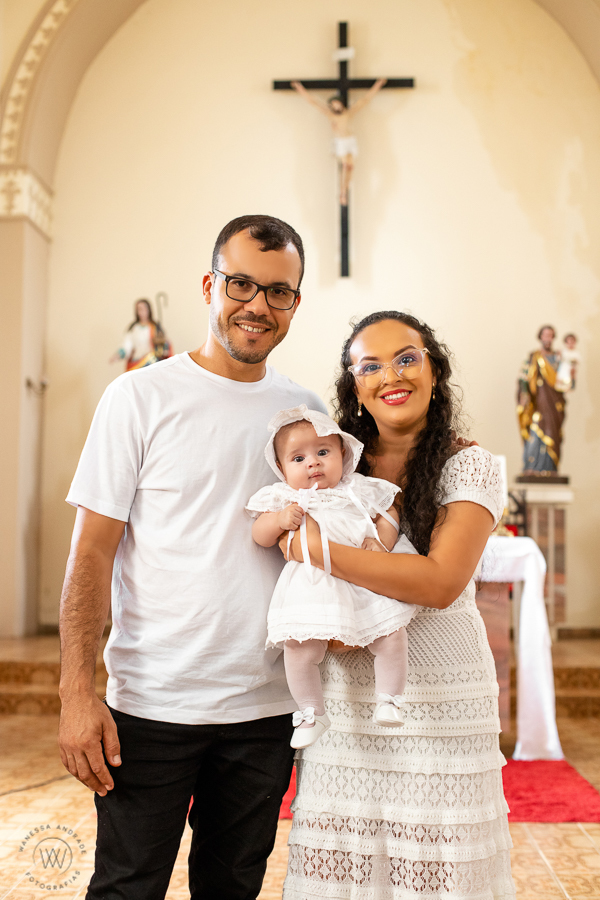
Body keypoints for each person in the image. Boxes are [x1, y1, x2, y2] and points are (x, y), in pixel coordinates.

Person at [58, 215, 327, 900]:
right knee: (127, 888)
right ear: (210, 286)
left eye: (279, 291)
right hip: (153, 704)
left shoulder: (304, 412)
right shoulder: (138, 397)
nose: (258, 305)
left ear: (295, 303)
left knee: (231, 889)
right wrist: (76, 693)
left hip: (264, 709)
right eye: (241, 284)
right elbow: (91, 555)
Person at [282, 311, 516, 899]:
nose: (392, 375)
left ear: (435, 370)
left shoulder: (468, 464)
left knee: (439, 871)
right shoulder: (332, 465)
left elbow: (438, 582)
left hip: (439, 698)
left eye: (407, 358)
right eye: (371, 366)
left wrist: (316, 550)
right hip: (345, 702)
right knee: (345, 871)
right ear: (354, 387)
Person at [246, 405, 419, 749]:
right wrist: (279, 520)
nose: (313, 463)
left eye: (323, 452)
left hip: (362, 576)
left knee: (390, 633)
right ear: (281, 468)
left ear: (343, 454)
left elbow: (389, 512)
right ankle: (311, 712)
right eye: (298, 459)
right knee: (299, 648)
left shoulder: (357, 489)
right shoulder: (285, 497)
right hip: (313, 586)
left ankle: (389, 698)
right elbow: (259, 535)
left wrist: (381, 540)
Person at [291, 78, 387, 205]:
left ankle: (345, 190)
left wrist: (378, 85)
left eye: (337, 103)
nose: (335, 106)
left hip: (351, 141)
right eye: (333, 105)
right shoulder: (330, 115)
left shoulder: (349, 113)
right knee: (345, 165)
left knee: (350, 167)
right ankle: (342, 192)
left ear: (341, 103)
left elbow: (365, 100)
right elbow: (313, 101)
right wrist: (299, 87)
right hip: (340, 143)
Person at [517, 324, 565, 474]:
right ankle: (532, 467)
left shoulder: (558, 358)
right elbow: (523, 378)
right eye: (545, 335)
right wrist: (524, 394)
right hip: (538, 404)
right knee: (536, 431)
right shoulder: (533, 357)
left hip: (554, 404)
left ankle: (550, 468)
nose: (548, 338)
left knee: (552, 434)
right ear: (540, 337)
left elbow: (566, 380)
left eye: (550, 335)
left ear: (553, 337)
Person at [109, 297, 172, 370]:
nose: (141, 312)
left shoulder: (155, 327)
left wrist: (161, 343)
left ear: (148, 310)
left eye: (143, 309)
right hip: (137, 363)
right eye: (138, 309)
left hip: (152, 363)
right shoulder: (134, 328)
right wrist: (118, 355)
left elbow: (164, 346)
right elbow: (127, 345)